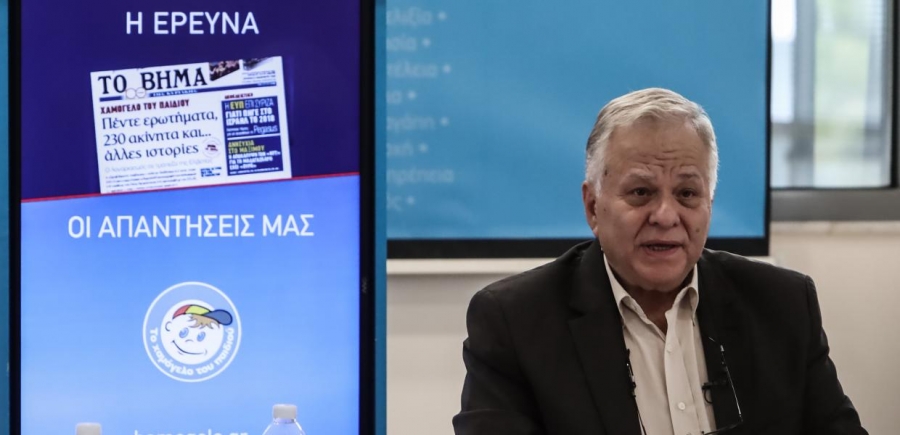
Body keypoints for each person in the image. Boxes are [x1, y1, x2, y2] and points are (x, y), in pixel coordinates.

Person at [452, 88, 866, 435]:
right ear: (593, 207)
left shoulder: (783, 305)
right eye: (641, 193)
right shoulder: (516, 322)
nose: (666, 216)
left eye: (687, 194)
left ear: (709, 204)